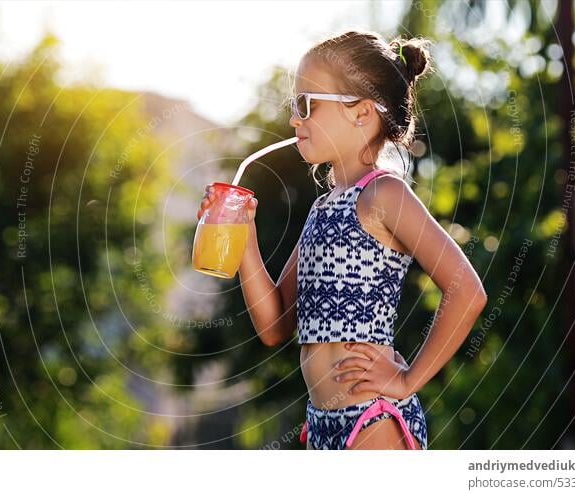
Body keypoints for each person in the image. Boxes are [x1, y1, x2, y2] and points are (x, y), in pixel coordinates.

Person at [197, 30, 487, 450]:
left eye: (306, 105)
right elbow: (276, 325)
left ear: (362, 113)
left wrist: (407, 381)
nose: (295, 119)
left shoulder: (384, 195)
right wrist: (243, 237)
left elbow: (467, 291)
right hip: (320, 425)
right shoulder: (323, 209)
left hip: (372, 419)